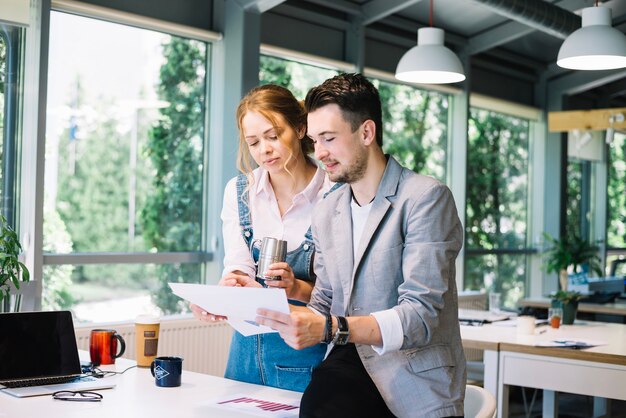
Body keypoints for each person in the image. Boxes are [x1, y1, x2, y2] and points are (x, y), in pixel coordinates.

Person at [256, 73, 466, 417]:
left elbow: (420, 317)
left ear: (366, 132)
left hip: (411, 378)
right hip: (346, 370)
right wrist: (275, 311)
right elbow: (326, 300)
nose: (319, 152)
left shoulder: (425, 197)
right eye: (314, 140)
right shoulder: (328, 210)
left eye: (328, 138)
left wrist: (330, 328)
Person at [191, 84, 331, 392]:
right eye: (253, 142)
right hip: (244, 357)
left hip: (307, 357)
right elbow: (238, 267)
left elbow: (346, 296)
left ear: (300, 127)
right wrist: (222, 294)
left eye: (273, 136)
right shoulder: (239, 191)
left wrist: (296, 287)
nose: (264, 150)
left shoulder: (334, 194)